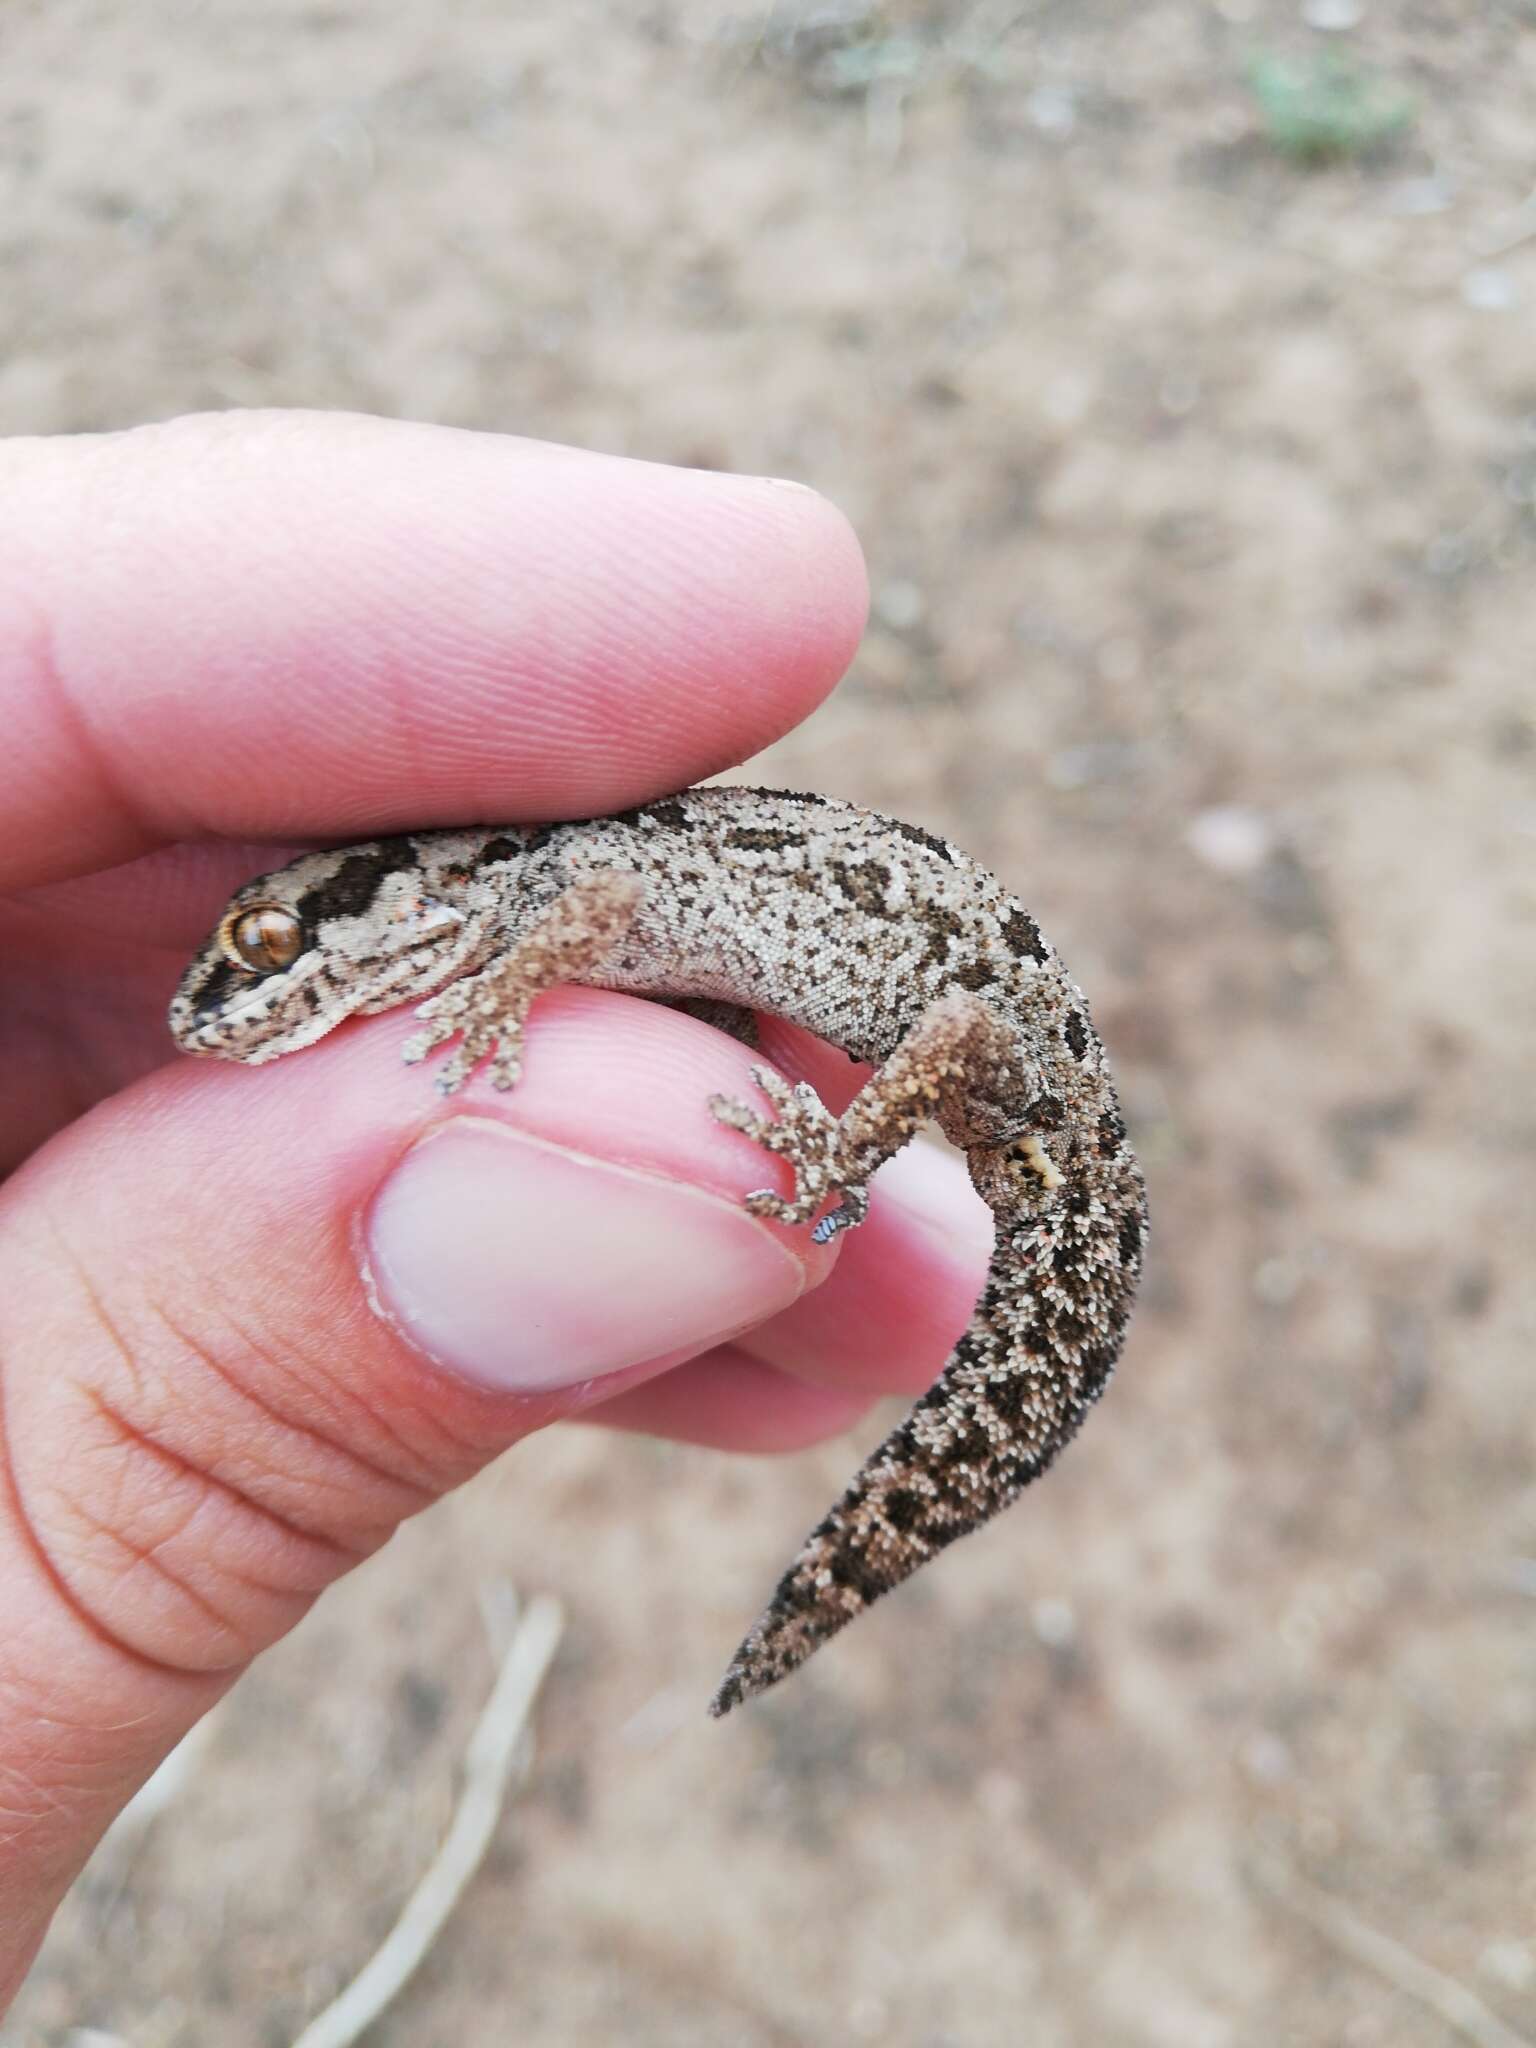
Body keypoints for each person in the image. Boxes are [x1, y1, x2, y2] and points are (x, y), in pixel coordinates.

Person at [0, 411, 992, 2006]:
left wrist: (530, 991)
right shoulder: (487, 894)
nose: (231, 999)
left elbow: (591, 907)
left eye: (264, 954)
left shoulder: (516, 898)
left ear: (392, 897)